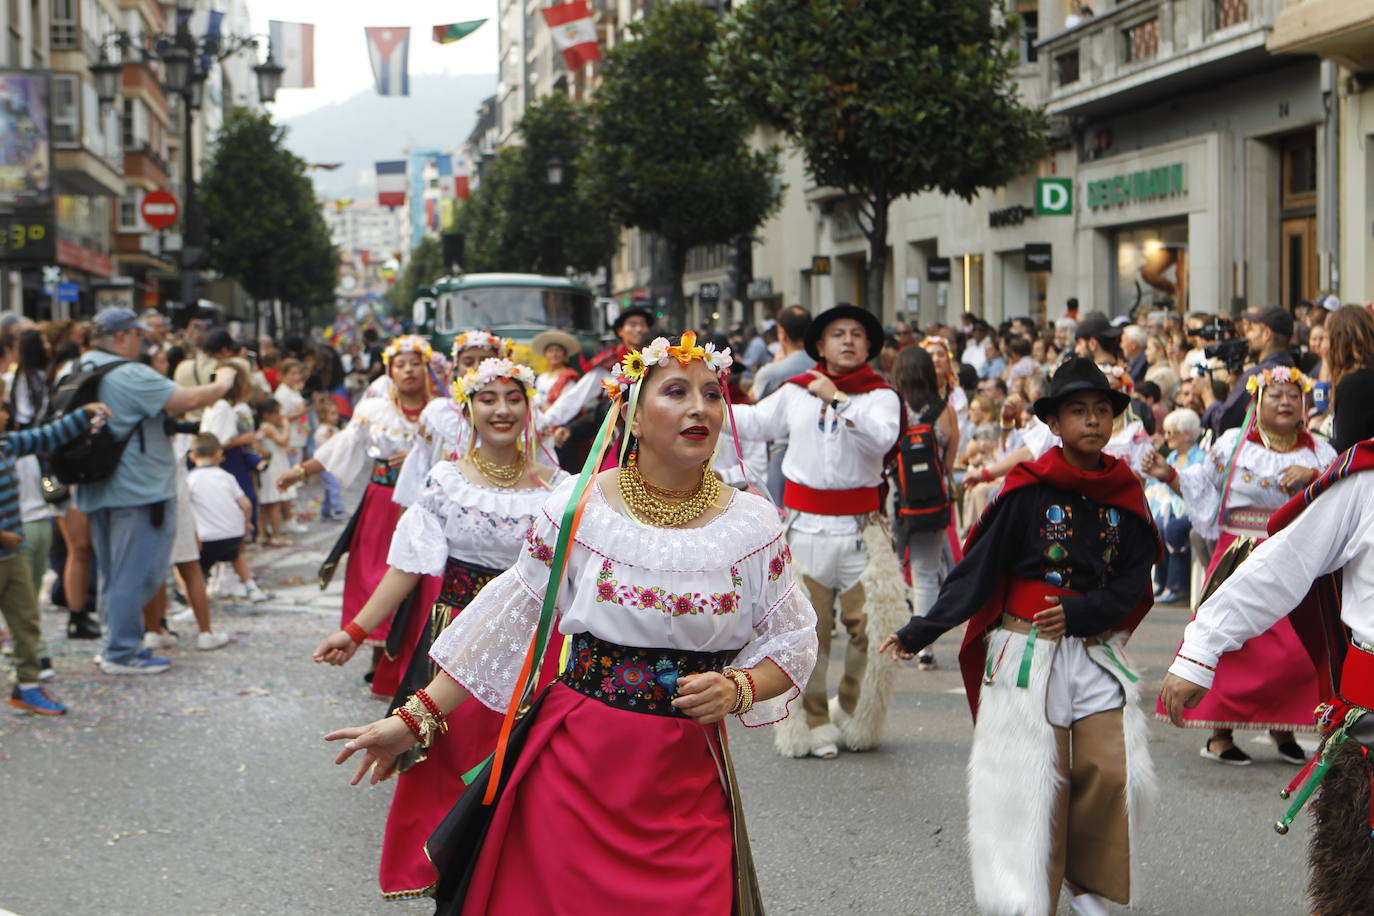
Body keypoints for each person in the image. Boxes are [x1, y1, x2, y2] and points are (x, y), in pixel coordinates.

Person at [325, 333, 816, 914]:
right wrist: (416, 717)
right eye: (677, 391)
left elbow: (792, 639)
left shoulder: (752, 525)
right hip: (577, 761)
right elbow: (512, 622)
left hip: (685, 774)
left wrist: (741, 686)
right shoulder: (577, 511)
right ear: (632, 413)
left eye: (712, 394)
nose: (699, 408)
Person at [881, 357, 1160, 916]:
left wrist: (1083, 614)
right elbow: (979, 568)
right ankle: (1024, 895)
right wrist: (922, 628)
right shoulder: (1027, 490)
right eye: (1077, 411)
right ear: (1054, 425)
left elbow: (1135, 578)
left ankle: (1086, 885)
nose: (1092, 421)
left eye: (1102, 410)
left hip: (1094, 649)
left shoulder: (1124, 490)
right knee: (1029, 778)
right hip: (1026, 650)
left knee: (1108, 771)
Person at [314, 357, 567, 899]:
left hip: (534, 648)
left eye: (513, 398)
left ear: (530, 407)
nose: (501, 410)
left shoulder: (561, 488)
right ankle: (452, 877)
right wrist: (357, 631)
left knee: (525, 770)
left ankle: (515, 879)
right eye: (488, 399)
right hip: (454, 642)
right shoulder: (446, 482)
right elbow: (406, 568)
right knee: (449, 765)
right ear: (467, 409)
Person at [1159, 438, 1374, 915]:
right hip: (1371, 715)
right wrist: (1201, 648)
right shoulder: (1366, 482)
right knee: (1361, 883)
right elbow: (1283, 564)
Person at [731, 304, 904, 759]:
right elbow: (750, 422)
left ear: (868, 345)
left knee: (870, 633)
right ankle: (811, 723)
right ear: (820, 346)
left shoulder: (880, 396)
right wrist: (706, 396)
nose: (847, 340)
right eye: (837, 334)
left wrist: (838, 400)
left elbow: (882, 440)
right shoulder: (795, 393)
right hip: (804, 530)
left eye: (856, 334)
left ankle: (853, 715)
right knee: (808, 634)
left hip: (860, 534)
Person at [1142, 365, 1334, 764]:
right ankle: (1219, 734)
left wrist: (1315, 475)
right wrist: (1170, 475)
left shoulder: (1319, 451)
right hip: (1238, 551)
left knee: (1292, 646)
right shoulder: (1233, 446)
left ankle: (1282, 729)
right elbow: (1202, 490)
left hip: (1293, 551)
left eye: (1292, 396)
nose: (1284, 402)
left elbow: (1338, 496)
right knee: (1233, 641)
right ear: (1257, 403)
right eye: (1275, 396)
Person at [277, 335, 444, 697]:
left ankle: (413, 659)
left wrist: (424, 458)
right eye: (400, 364)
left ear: (427, 367)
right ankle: (377, 650)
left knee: (424, 581)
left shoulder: (444, 411)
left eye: (415, 362)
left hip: (428, 505)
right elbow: (345, 445)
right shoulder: (376, 411)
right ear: (389, 372)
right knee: (376, 575)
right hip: (383, 502)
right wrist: (302, 471)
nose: (408, 370)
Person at [78, 308, 236, 675]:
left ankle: (114, 643)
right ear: (121, 337)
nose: (144, 342)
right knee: (139, 573)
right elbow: (189, 399)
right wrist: (225, 379)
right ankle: (120, 651)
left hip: (96, 485)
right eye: (138, 335)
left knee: (114, 573)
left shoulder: (79, 365)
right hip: (136, 490)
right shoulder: (127, 373)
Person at [1, 386, 109, 713]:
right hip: (9, 547)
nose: (5, 415)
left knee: (26, 622)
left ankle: (28, 686)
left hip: (13, 556)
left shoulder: (6, 444)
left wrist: (83, 415)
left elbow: (46, 437)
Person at [888, 346, 959, 671]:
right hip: (931, 502)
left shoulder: (891, 406)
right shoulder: (945, 410)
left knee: (886, 568)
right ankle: (923, 647)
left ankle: (885, 634)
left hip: (893, 500)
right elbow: (948, 463)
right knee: (926, 573)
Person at [392, 330, 507, 507]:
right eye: (468, 362)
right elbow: (418, 470)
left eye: (485, 361)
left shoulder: (521, 413)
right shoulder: (438, 413)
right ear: (455, 367)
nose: (476, 368)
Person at [185, 432, 263, 624]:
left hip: (206, 539)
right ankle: (252, 587)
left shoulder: (190, 479)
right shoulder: (226, 476)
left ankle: (192, 605)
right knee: (236, 554)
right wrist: (246, 524)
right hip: (233, 535)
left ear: (191, 456)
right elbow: (245, 504)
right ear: (219, 453)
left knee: (192, 571)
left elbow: (185, 509)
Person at [197, 358, 262, 558]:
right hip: (229, 460)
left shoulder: (213, 405)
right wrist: (243, 439)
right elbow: (219, 441)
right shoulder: (223, 406)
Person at [1204, 304, 1297, 437]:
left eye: (1252, 329)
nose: (1248, 336)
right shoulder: (1295, 372)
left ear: (1266, 334)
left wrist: (1207, 395)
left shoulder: (1258, 375)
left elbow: (1224, 422)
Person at [1145, 408, 1205, 605]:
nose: (1167, 437)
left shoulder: (1201, 458)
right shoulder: (1171, 458)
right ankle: (1160, 582)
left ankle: (1178, 586)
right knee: (1155, 525)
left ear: (1187, 434)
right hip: (1169, 508)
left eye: (1172, 432)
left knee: (1172, 528)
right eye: (1166, 432)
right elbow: (1156, 484)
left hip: (1193, 511)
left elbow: (1200, 489)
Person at [1322, 305, 1374, 452]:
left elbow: (1346, 446)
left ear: (1340, 340)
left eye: (1327, 337)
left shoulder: (1354, 383)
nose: (1323, 345)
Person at [254, 397, 292, 547]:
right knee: (275, 502)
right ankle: (276, 535)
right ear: (266, 414)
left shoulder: (263, 427)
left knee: (265, 503)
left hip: (271, 465)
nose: (280, 416)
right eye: (277, 413)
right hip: (273, 467)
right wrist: (287, 426)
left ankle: (262, 535)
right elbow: (283, 441)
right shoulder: (268, 427)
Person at [312, 395, 346, 521]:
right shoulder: (323, 431)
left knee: (329, 487)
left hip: (333, 463)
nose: (336, 416)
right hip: (324, 464)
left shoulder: (335, 429)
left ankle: (325, 511)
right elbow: (324, 448)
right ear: (323, 415)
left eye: (336, 413)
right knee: (334, 485)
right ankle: (338, 509)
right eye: (332, 414)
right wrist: (331, 438)